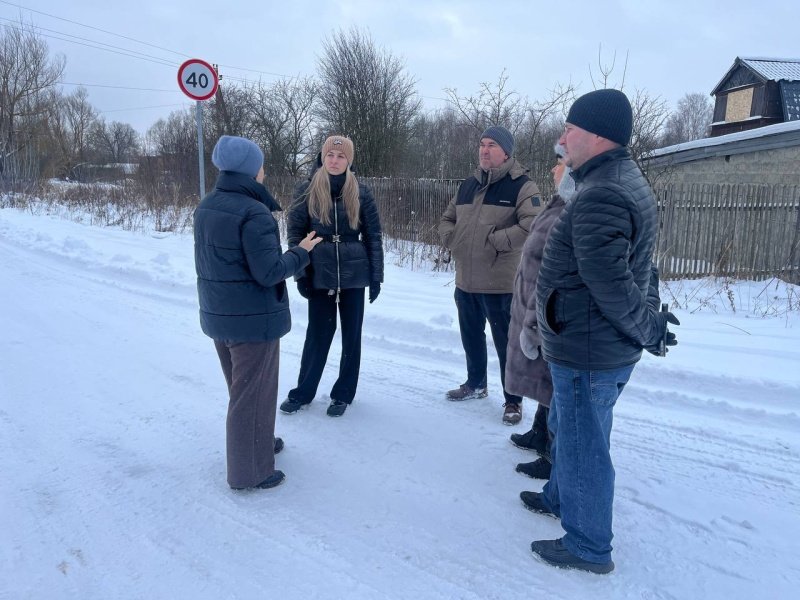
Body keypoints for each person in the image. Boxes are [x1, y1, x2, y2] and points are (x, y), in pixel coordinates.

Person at [521, 89, 679, 574]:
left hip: (589, 345)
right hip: (590, 340)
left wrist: (649, 328)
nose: (562, 137)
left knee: (585, 441)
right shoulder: (614, 179)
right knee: (570, 427)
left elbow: (611, 283)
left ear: (597, 135)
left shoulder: (603, 192)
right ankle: (560, 496)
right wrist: (646, 320)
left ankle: (588, 544)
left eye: (569, 128)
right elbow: (642, 266)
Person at [194, 135, 321, 490]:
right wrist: (301, 251)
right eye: (261, 164)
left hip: (220, 315)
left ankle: (258, 443)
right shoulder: (254, 213)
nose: (264, 170)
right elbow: (268, 272)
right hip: (252, 320)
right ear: (250, 170)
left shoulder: (207, 205)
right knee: (251, 396)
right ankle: (250, 472)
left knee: (248, 391)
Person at [439, 126, 542, 425]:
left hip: (500, 284)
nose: (484, 150)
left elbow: (532, 227)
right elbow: (448, 219)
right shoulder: (468, 184)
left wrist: (495, 241)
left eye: (492, 145)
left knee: (506, 345)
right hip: (466, 280)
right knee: (471, 336)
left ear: (507, 151)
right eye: (482, 145)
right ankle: (476, 383)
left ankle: (513, 400)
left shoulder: (522, 186)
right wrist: (453, 239)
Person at [279, 135, 384, 418]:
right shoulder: (306, 189)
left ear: (349, 161)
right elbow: (295, 234)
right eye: (330, 156)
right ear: (323, 158)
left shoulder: (361, 191)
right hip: (319, 271)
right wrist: (300, 273)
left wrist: (376, 277)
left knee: (352, 336)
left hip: (354, 273)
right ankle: (303, 392)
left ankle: (343, 394)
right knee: (318, 334)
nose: (334, 161)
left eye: (340, 156)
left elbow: (373, 236)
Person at [506, 144, 575, 479]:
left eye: (559, 163)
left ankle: (551, 452)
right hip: (530, 300)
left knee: (550, 377)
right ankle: (538, 430)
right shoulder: (560, 200)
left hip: (545, 308)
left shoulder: (572, 207)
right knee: (540, 376)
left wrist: (535, 318)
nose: (553, 168)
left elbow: (555, 269)